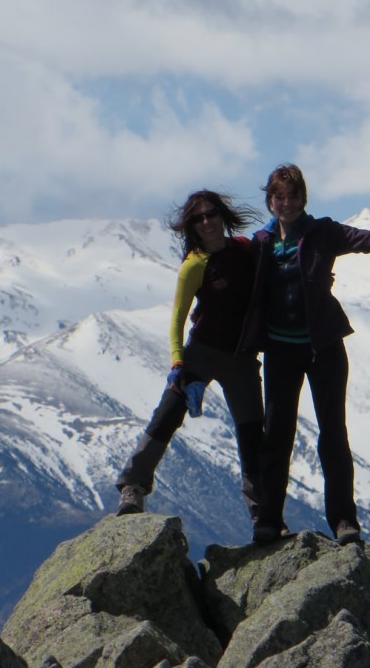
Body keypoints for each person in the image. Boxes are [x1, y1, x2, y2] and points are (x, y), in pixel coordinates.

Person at [240, 164, 370, 546]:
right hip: (280, 351)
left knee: (332, 435)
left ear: (304, 198)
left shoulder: (323, 233)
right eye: (278, 197)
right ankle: (268, 521)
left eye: (292, 196)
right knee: (277, 436)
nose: (285, 204)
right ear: (269, 200)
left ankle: (344, 522)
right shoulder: (260, 244)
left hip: (323, 348)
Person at [116, 190, 265, 524]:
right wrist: (178, 364)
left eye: (211, 214)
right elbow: (177, 320)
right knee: (167, 414)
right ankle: (132, 487)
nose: (207, 222)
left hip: (241, 358)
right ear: (191, 227)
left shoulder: (247, 251)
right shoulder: (194, 265)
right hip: (201, 353)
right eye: (198, 218)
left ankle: (262, 513)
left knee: (252, 433)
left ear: (222, 216)